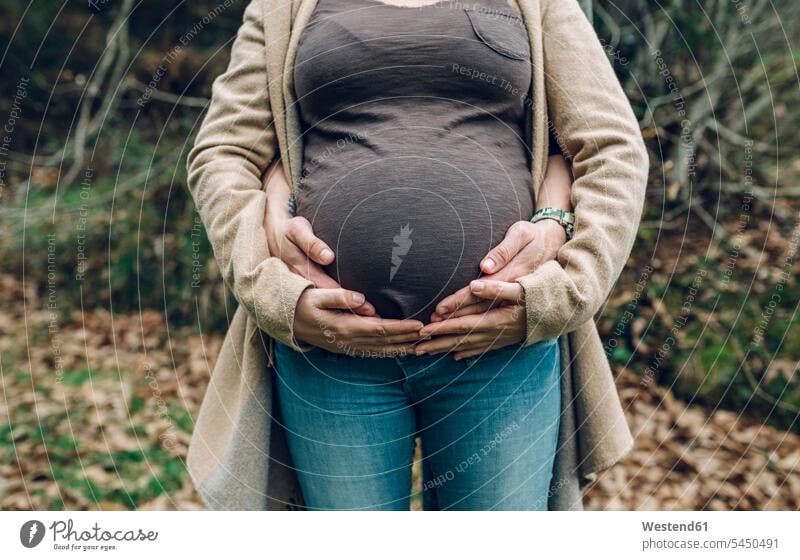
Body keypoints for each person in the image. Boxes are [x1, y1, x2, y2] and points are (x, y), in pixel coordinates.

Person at [184, 0, 649, 512]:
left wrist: (561, 290)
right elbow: (224, 152)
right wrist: (275, 294)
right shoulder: (282, 7)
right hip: (330, 357)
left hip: (499, 354)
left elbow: (611, 148)